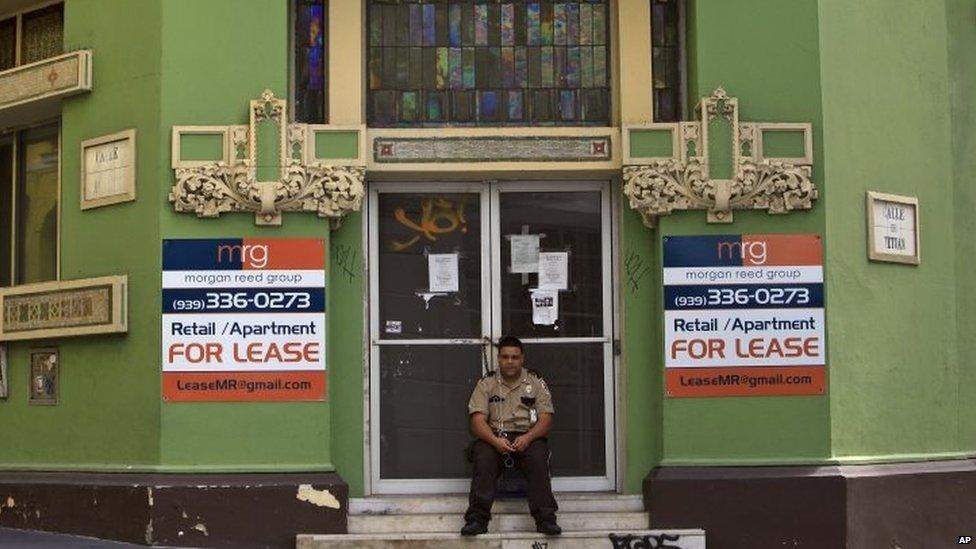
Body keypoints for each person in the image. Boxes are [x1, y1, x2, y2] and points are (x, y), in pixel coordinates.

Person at [461, 336, 561, 536]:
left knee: (538, 457)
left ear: (522, 358)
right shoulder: (487, 383)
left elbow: (546, 420)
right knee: (484, 456)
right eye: (505, 357)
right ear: (498, 359)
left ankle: (546, 519)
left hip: (527, 437)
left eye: (514, 357)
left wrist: (528, 438)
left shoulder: (535, 382)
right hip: (495, 437)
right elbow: (477, 422)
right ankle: (477, 520)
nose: (509, 361)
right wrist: (495, 441)